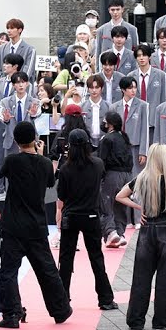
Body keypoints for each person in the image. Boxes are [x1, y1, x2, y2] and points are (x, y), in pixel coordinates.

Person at [0, 121, 72, 328]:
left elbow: (1, 174)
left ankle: (11, 314)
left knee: (8, 271)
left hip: (13, 226)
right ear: (35, 139)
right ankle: (61, 310)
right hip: (36, 225)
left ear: (16, 140)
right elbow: (49, 182)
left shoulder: (12, 161)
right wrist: (40, 155)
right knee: (47, 270)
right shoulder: (44, 163)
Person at [117, 144, 166, 330]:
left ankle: (136, 319)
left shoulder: (142, 178)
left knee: (141, 277)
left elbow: (120, 196)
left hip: (147, 229)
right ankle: (162, 319)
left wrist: (141, 208)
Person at [54, 128, 118, 311]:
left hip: (71, 216)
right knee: (96, 258)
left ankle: (62, 300)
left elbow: (62, 195)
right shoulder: (98, 164)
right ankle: (105, 298)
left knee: (66, 259)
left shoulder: (65, 169)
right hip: (91, 215)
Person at [98, 111, 135, 247]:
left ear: (110, 124)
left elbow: (102, 160)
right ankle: (120, 232)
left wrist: (100, 177)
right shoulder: (124, 138)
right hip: (127, 175)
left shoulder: (107, 139)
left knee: (106, 204)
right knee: (121, 205)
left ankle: (111, 231)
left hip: (112, 175)